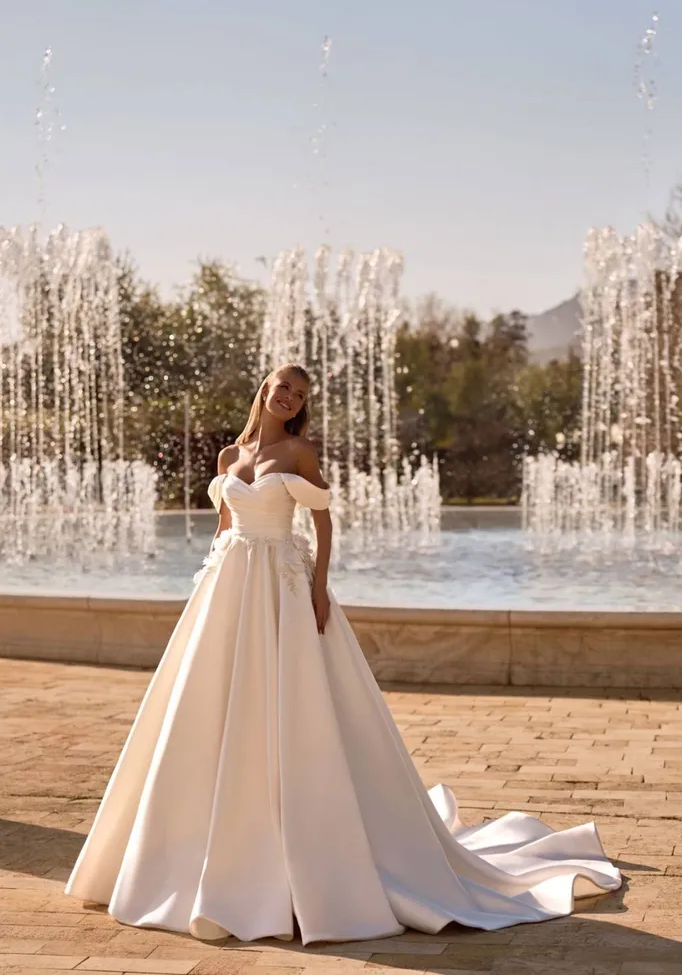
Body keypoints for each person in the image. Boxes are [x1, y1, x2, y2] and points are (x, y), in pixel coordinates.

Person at [65, 363, 621, 945]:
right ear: (265, 390)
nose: (289, 397)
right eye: (283, 388)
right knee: (210, 706)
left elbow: (322, 524)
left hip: (282, 584)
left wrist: (317, 588)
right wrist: (209, 583)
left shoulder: (303, 453)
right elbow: (223, 527)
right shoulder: (231, 455)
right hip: (229, 588)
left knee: (293, 702)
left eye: (300, 394)